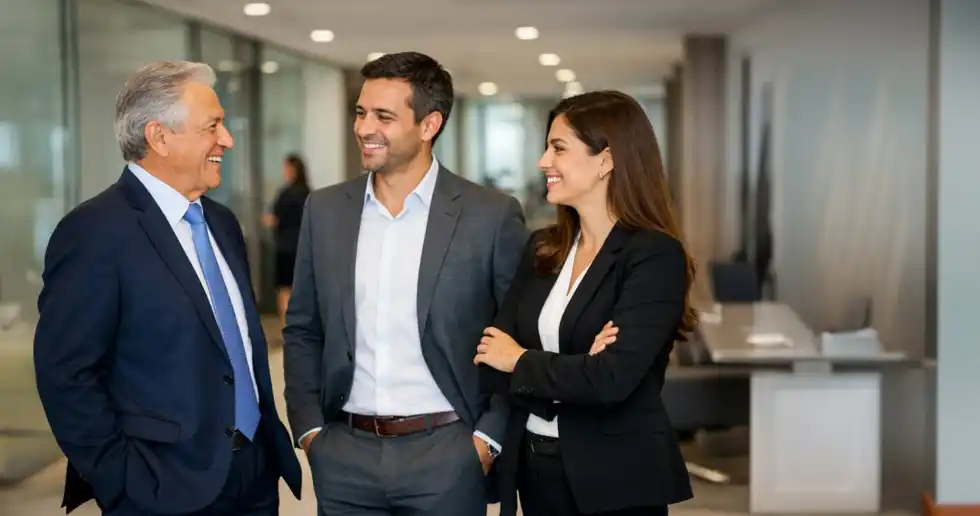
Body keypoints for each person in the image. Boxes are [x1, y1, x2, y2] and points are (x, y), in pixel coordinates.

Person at [33, 61, 302, 515]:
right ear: (159, 137)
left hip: (255, 475)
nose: (227, 140)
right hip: (162, 489)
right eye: (213, 126)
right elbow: (67, 374)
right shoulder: (95, 231)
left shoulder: (221, 222)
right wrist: (121, 481)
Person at [282, 51, 528, 515]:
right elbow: (302, 328)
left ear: (429, 124)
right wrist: (310, 430)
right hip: (344, 456)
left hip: (448, 453)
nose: (363, 127)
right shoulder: (326, 210)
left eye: (384, 116)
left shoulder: (489, 216)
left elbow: (516, 336)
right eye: (360, 112)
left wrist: (486, 440)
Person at [474, 90, 696, 516]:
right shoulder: (543, 248)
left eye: (558, 148)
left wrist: (521, 359)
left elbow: (612, 380)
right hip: (534, 470)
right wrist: (577, 367)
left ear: (606, 160)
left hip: (615, 478)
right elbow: (489, 358)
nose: (543, 161)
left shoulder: (652, 255)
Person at [263, 153, 311, 325]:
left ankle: (286, 327)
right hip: (304, 249)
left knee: (284, 290)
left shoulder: (285, 194)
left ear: (292, 169)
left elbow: (272, 219)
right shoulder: (308, 193)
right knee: (302, 290)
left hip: (285, 248)